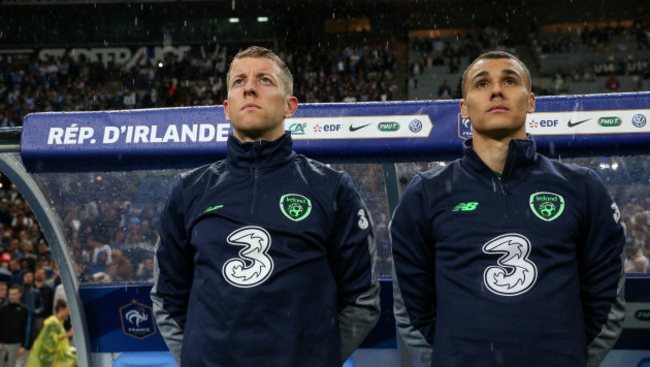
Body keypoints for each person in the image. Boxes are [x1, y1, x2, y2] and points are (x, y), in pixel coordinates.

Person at [390, 51, 626, 367]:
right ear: (464, 108)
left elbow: (606, 297)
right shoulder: (425, 193)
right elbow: (411, 305)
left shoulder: (582, 187)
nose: (497, 90)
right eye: (482, 83)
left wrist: (568, 357)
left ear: (530, 101)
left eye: (510, 80)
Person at [151, 46, 380, 366]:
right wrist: (200, 357)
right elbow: (167, 296)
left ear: (290, 106)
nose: (249, 87)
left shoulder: (331, 188)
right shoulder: (189, 190)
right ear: (227, 108)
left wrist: (314, 358)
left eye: (264, 80)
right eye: (239, 81)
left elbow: (361, 298)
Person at [26, 299, 76, 367]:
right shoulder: (53, 322)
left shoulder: (59, 322)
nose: (68, 313)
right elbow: (50, 340)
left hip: (51, 357)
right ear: (61, 309)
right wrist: (68, 334)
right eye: (67, 310)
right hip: (45, 357)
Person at [0, 285, 29, 367]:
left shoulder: (24, 309)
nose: (11, 297)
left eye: (14, 294)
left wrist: (23, 345)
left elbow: (25, 328)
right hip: (2, 343)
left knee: (12, 365)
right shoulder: (3, 308)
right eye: (10, 294)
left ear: (20, 294)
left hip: (16, 343)